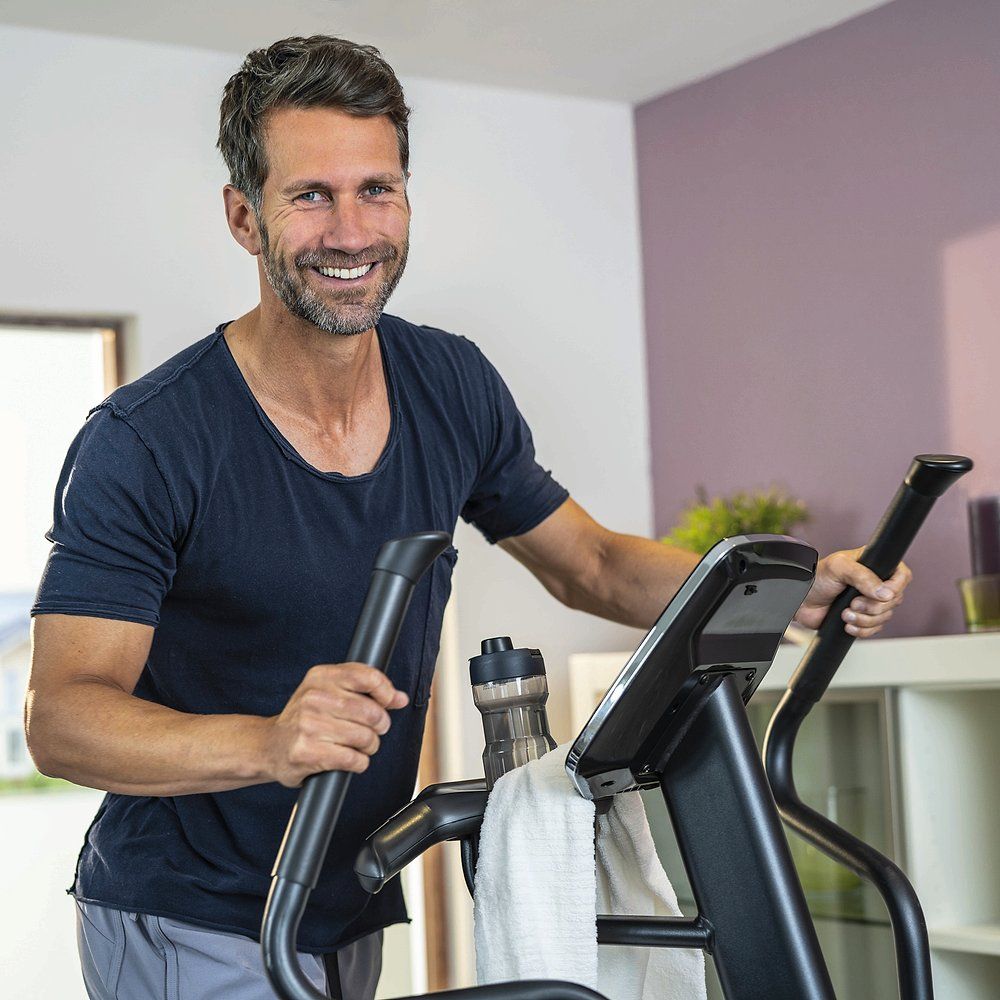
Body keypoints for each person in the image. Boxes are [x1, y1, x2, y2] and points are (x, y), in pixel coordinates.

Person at [25, 35, 911, 1000]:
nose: (353, 231)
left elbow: (594, 566)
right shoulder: (148, 439)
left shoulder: (449, 382)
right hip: (184, 907)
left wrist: (789, 584)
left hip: (344, 894)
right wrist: (265, 741)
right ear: (244, 216)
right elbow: (64, 718)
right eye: (310, 196)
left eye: (378, 190)